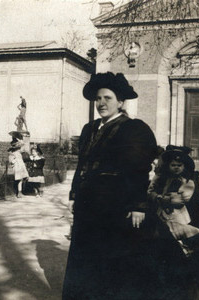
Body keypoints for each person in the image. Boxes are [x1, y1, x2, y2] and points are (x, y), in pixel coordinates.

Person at [62, 72, 158, 299]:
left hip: (115, 203)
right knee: (86, 255)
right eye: (98, 99)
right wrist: (74, 195)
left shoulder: (134, 129)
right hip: (88, 204)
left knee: (111, 257)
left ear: (121, 102)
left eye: (107, 98)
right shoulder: (89, 129)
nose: (101, 103)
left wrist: (138, 205)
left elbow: (138, 169)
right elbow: (82, 164)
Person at [148, 146, 199, 256]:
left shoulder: (187, 181)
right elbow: (150, 191)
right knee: (164, 232)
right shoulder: (160, 178)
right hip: (161, 211)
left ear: (184, 166)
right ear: (168, 166)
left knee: (179, 232)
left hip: (178, 214)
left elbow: (180, 199)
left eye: (179, 165)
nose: (176, 168)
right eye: (173, 165)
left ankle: (183, 250)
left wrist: (167, 198)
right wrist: (159, 197)